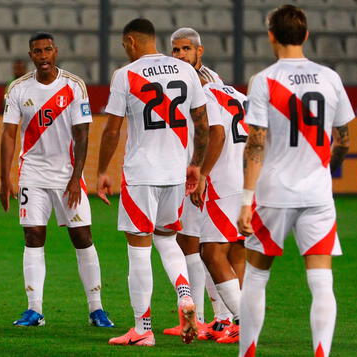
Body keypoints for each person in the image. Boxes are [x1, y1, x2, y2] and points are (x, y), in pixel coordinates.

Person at [237, 5, 353, 356]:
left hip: (273, 194)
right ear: (306, 35)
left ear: (271, 35)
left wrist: (246, 200)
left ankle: (247, 352)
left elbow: (256, 143)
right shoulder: (330, 77)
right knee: (321, 281)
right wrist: (326, 170)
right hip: (317, 194)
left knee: (256, 276)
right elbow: (343, 140)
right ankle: (321, 353)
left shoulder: (264, 81)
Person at [98, 18, 209, 346]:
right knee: (167, 239)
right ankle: (185, 297)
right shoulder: (186, 70)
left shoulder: (125, 75)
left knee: (139, 250)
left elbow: (112, 129)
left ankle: (142, 328)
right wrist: (196, 165)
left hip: (140, 174)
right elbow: (202, 124)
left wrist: (102, 170)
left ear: (131, 41)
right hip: (175, 171)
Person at [0, 32, 113, 328]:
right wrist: (4, 177)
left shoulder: (74, 86)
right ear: (31, 55)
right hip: (32, 173)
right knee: (33, 237)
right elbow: (9, 134)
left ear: (56, 51)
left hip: (66, 175)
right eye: (37, 51)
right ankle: (34, 309)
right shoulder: (18, 89)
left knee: (82, 237)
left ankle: (96, 308)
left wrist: (76, 178)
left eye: (48, 50)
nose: (43, 55)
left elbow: (83, 134)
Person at [165, 27, 237, 341]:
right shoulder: (190, 78)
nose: (180, 55)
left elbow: (214, 132)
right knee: (191, 242)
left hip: (206, 174)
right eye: (176, 50)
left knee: (201, 245)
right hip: (194, 170)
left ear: (199, 51)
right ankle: (203, 318)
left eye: (185, 49)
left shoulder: (206, 82)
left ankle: (218, 317)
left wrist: (202, 172)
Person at [195, 81, 249, 344]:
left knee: (211, 251)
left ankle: (241, 321)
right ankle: (237, 321)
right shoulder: (239, 95)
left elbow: (216, 133)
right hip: (247, 178)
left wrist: (203, 173)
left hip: (223, 181)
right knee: (237, 250)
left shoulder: (205, 94)